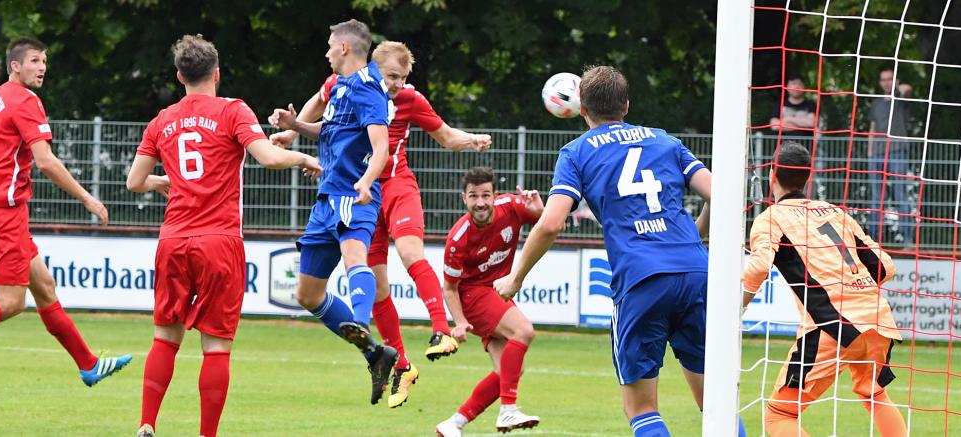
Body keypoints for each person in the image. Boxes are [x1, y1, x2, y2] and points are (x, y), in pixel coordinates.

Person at [493, 66, 733, 437]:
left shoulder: (576, 153)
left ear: (582, 109)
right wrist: (695, 236)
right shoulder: (665, 141)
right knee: (715, 403)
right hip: (695, 273)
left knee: (640, 407)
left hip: (641, 280)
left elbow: (552, 222)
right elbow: (722, 195)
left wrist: (516, 277)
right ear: (626, 104)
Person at [270, 40, 492, 408]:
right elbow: (320, 110)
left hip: (393, 185)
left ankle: (440, 329)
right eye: (392, 76)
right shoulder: (344, 85)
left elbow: (446, 136)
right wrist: (294, 131)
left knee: (408, 251)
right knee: (375, 288)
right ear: (375, 67)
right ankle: (399, 363)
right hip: (359, 190)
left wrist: (473, 140)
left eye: (403, 79)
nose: (397, 84)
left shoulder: (408, 98)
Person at [128, 34, 321, 437]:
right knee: (215, 345)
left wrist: (165, 180)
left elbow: (134, 182)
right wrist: (304, 155)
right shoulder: (232, 110)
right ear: (217, 73)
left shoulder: (162, 119)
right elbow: (268, 157)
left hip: (174, 239)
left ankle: (146, 423)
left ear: (180, 76)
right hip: (219, 240)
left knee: (165, 338)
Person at [0, 37, 131, 393]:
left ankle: (89, 364)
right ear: (15, 66)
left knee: (45, 287)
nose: (42, 67)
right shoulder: (26, 101)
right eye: (35, 60)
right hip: (5, 212)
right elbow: (46, 161)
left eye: (44, 61)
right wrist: (87, 198)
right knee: (12, 302)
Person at [268, 19, 399, 406]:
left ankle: (359, 320)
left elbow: (381, 149)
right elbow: (333, 132)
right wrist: (296, 126)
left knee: (355, 255)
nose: (325, 51)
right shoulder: (342, 88)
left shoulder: (369, 89)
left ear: (344, 47)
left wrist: (366, 181)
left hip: (352, 194)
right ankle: (374, 353)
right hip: (327, 198)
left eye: (329, 45)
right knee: (308, 294)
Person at [742, 141, 906, 437]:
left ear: (770, 174)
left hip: (832, 326)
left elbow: (758, 267)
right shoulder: (836, 213)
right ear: (808, 175)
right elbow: (884, 266)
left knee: (780, 415)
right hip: (878, 320)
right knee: (875, 394)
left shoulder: (771, 218)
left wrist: (736, 307)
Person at [433, 166, 542, 437]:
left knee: (508, 369)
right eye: (473, 196)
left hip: (496, 291)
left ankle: (454, 423)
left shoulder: (512, 206)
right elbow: (449, 288)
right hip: (473, 295)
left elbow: (548, 223)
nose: (480, 202)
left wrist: (539, 209)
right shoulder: (458, 238)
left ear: (495, 195)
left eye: (485, 195)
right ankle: (508, 409)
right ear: (464, 198)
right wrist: (459, 322)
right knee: (524, 331)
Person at [867, 68, 915, 245]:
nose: (886, 82)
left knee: (900, 193)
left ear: (896, 81)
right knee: (876, 197)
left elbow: (907, 88)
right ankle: (873, 241)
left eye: (890, 79)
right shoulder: (876, 102)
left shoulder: (901, 98)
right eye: (883, 79)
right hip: (877, 153)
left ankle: (908, 240)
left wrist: (899, 89)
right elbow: (872, 128)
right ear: (880, 83)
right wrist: (870, 153)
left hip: (897, 150)